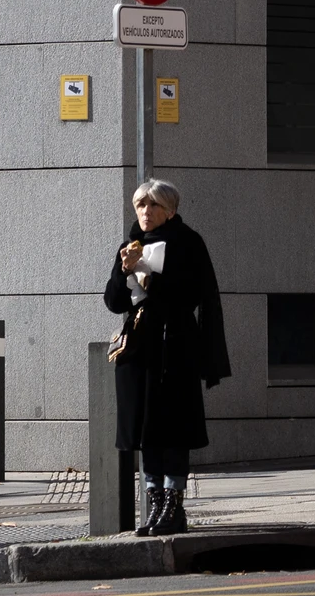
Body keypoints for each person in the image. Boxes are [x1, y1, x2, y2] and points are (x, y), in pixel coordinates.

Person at [104, 178, 231, 536]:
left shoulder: (188, 243)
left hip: (175, 347)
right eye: (140, 205)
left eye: (153, 205)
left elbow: (192, 295)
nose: (145, 212)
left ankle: (174, 505)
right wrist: (126, 270)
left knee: (173, 429)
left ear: (170, 210)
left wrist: (150, 280)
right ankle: (155, 503)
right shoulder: (129, 246)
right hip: (139, 351)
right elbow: (114, 302)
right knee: (145, 431)